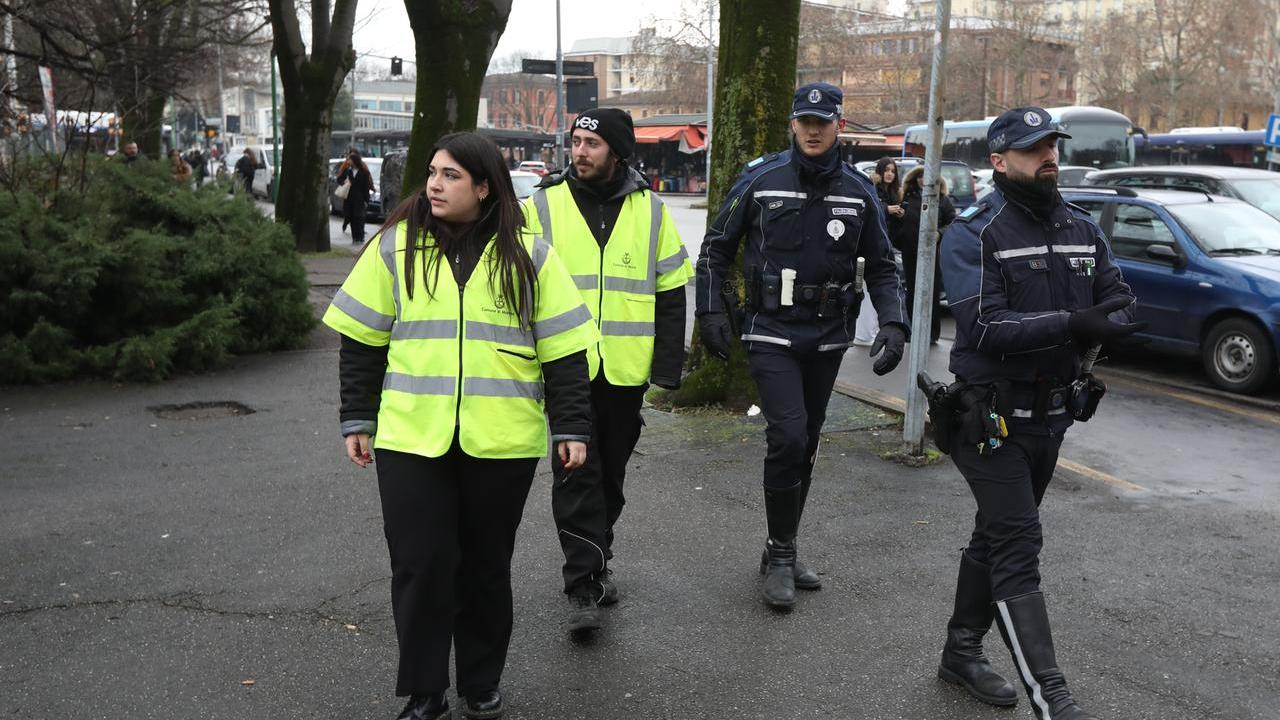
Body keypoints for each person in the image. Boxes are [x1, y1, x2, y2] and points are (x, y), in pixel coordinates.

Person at [322, 131, 598, 720]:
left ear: (482, 186)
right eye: (432, 173)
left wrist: (571, 426)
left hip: (500, 441)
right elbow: (363, 341)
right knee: (421, 566)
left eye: (451, 175)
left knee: (484, 568)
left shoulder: (530, 256)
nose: (435, 184)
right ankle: (425, 692)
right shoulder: (396, 249)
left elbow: (566, 352)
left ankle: (480, 681)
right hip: (410, 437)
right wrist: (357, 417)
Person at [935, 106, 1144, 719]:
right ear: (999, 162)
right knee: (1018, 545)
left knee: (994, 537)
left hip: (1052, 416)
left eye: (1052, 144)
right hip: (989, 421)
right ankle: (1053, 700)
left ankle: (960, 651)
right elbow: (986, 326)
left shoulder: (1082, 224)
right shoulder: (973, 233)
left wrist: (1109, 324)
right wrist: (1076, 323)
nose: (1048, 155)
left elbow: (1122, 300)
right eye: (1032, 148)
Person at [695, 82, 908, 609]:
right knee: (787, 436)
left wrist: (894, 323)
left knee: (808, 440)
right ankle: (783, 554)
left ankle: (780, 545)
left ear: (839, 125)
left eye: (823, 122)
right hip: (770, 330)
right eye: (804, 122)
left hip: (829, 333)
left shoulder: (860, 190)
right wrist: (711, 311)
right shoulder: (761, 177)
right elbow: (715, 250)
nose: (813, 131)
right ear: (793, 124)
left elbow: (883, 265)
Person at [523, 108, 693, 634]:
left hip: (625, 369)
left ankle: (597, 557)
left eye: (591, 144)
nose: (579, 152)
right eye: (575, 142)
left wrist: (667, 365)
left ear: (617, 151)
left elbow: (670, 293)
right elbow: (518, 285)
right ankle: (582, 584)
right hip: (563, 366)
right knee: (577, 469)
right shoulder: (543, 203)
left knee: (611, 474)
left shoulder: (652, 210)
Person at [895, 164, 956, 344]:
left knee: (931, 292)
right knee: (912, 291)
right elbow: (897, 223)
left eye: (926, 176)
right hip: (910, 251)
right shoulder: (906, 197)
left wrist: (939, 233)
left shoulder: (942, 200)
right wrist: (899, 238)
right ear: (915, 179)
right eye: (920, 176)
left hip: (933, 253)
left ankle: (931, 334)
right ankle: (910, 330)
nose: (923, 179)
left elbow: (953, 222)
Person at [338, 149, 376, 245]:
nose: (348, 161)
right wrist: (344, 182)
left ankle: (360, 236)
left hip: (359, 198)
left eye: (350, 160)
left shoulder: (363, 172)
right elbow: (339, 179)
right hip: (349, 198)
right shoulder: (347, 170)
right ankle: (355, 237)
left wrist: (366, 200)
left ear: (355, 161)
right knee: (350, 217)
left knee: (359, 218)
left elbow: (366, 187)